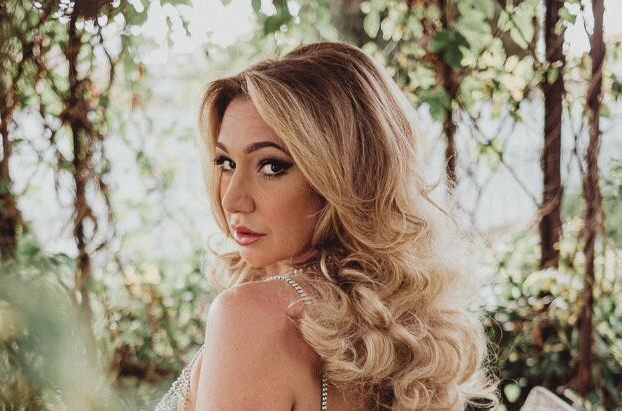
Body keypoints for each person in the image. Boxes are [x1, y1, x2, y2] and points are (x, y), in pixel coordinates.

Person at [154, 41, 499, 411]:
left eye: (272, 166)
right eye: (226, 163)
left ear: (343, 177)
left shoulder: (250, 316)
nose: (232, 199)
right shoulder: (391, 325)